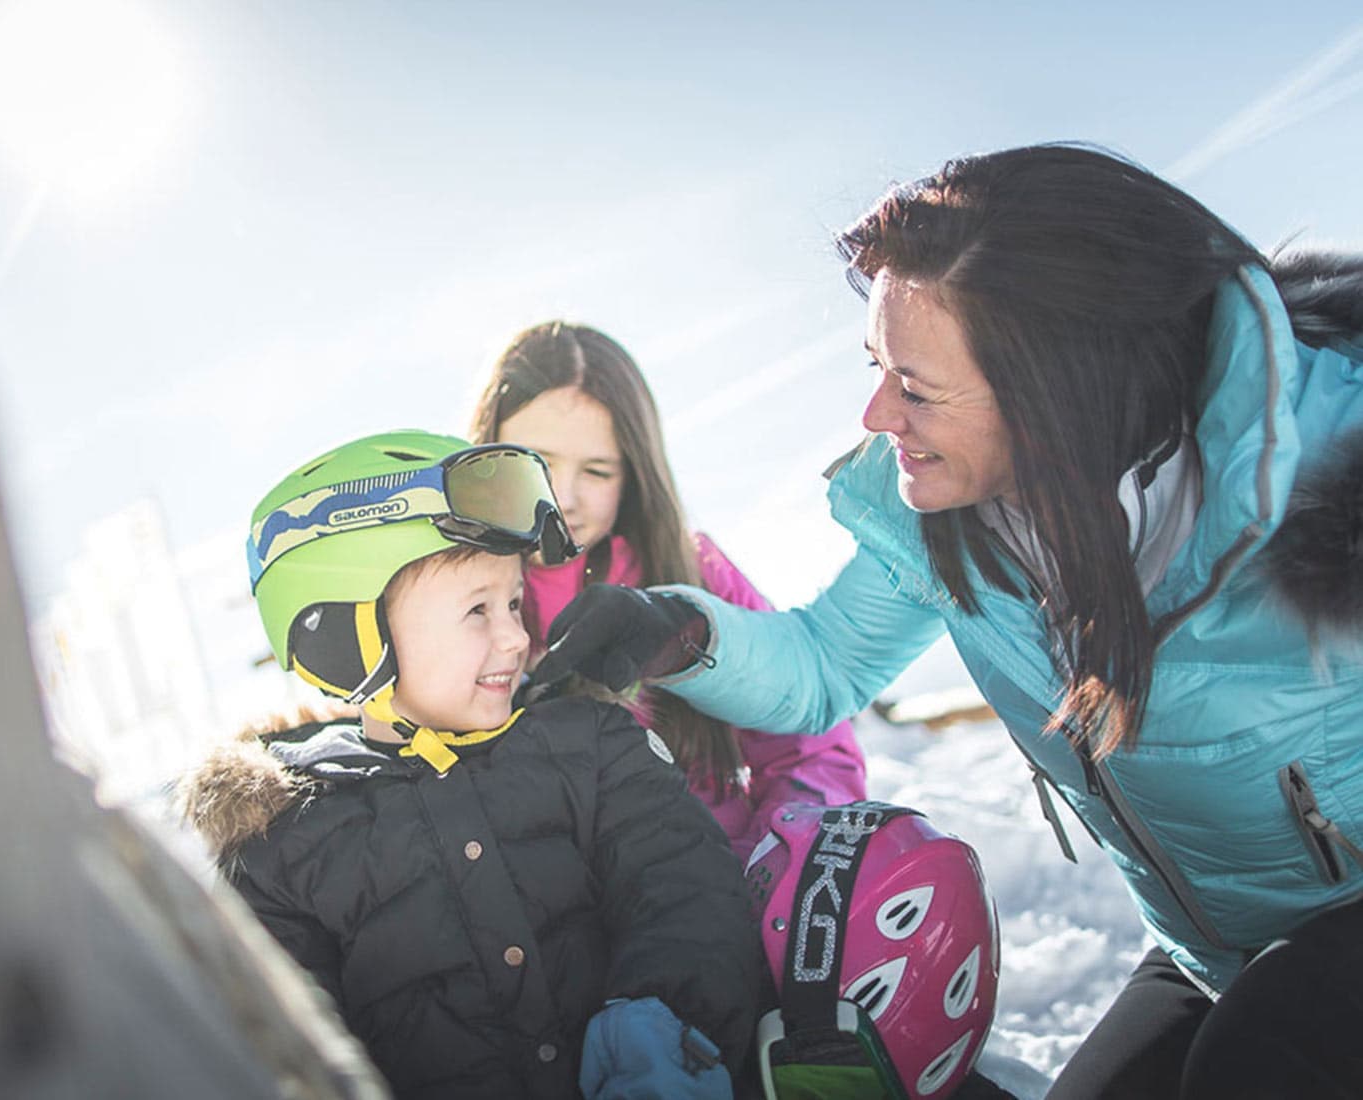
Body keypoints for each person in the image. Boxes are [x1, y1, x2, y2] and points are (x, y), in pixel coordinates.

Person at [527, 144, 1363, 1099]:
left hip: (1313, 975)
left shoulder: (1332, 470)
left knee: (1261, 1055)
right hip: (1214, 953)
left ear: (1057, 388)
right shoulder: (955, 519)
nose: (877, 413)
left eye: (916, 387)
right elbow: (822, 666)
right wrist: (672, 630)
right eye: (876, 365)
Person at [181, 430, 763, 1100]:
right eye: (477, 610)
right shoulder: (284, 843)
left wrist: (664, 1026)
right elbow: (286, 1048)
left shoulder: (590, 746)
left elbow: (686, 886)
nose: (517, 636)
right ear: (348, 635)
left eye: (514, 603)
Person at [469, 320, 869, 861]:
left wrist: (769, 869)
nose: (562, 497)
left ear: (634, 475)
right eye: (535, 461)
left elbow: (808, 748)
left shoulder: (690, 571)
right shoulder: (444, 586)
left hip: (707, 888)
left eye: (596, 471)